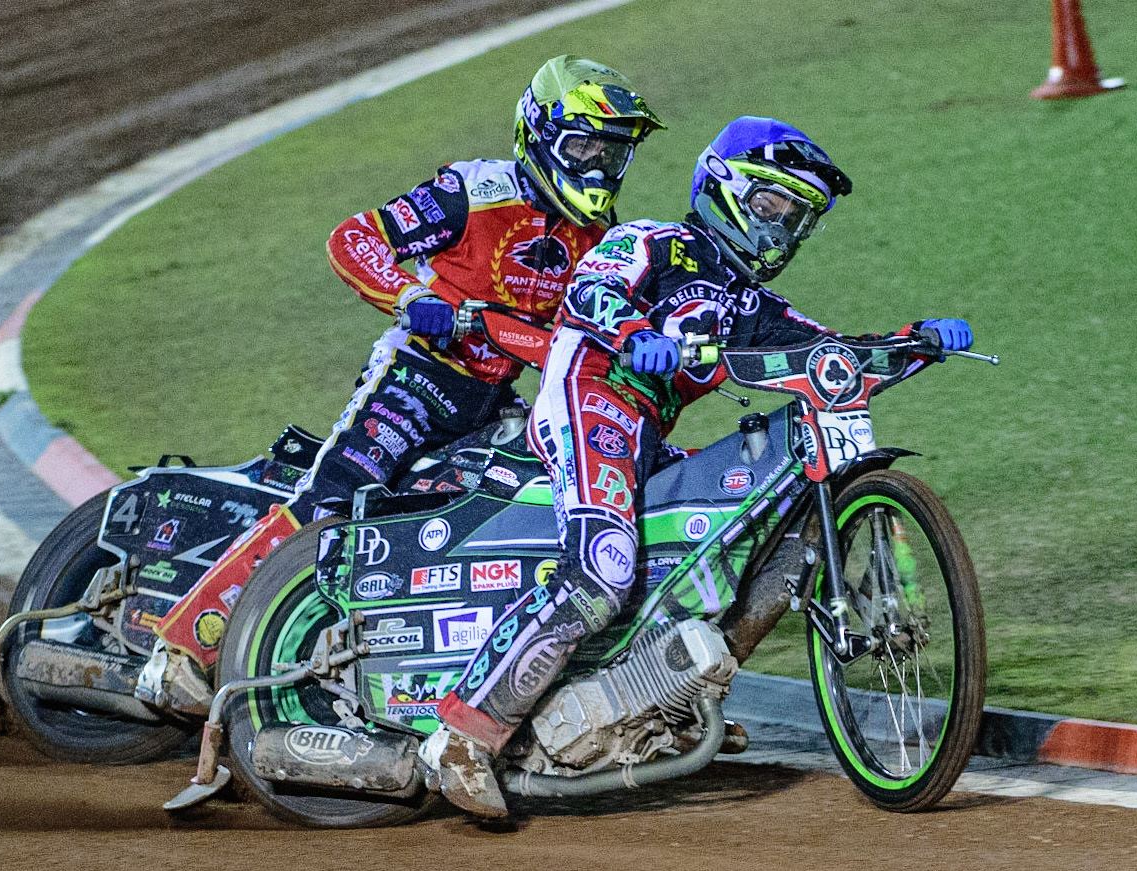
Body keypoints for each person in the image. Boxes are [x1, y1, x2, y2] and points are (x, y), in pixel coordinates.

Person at [420, 116, 974, 817]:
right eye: (772, 204)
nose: (781, 228)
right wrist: (635, 334)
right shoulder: (653, 241)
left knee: (735, 546)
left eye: (796, 218)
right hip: (588, 398)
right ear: (723, 189)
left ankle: (669, 701)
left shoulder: (752, 304)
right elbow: (589, 293)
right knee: (601, 570)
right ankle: (463, 736)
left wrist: (913, 344)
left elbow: (827, 352)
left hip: (643, 432)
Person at [136, 55, 665, 714]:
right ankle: (180, 651)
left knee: (508, 520)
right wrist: (412, 295)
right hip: (417, 376)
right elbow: (355, 238)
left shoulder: (599, 239)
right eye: (584, 146)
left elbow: (570, 338)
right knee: (330, 502)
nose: (597, 166)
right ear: (539, 132)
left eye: (612, 153)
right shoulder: (473, 191)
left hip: (495, 404)